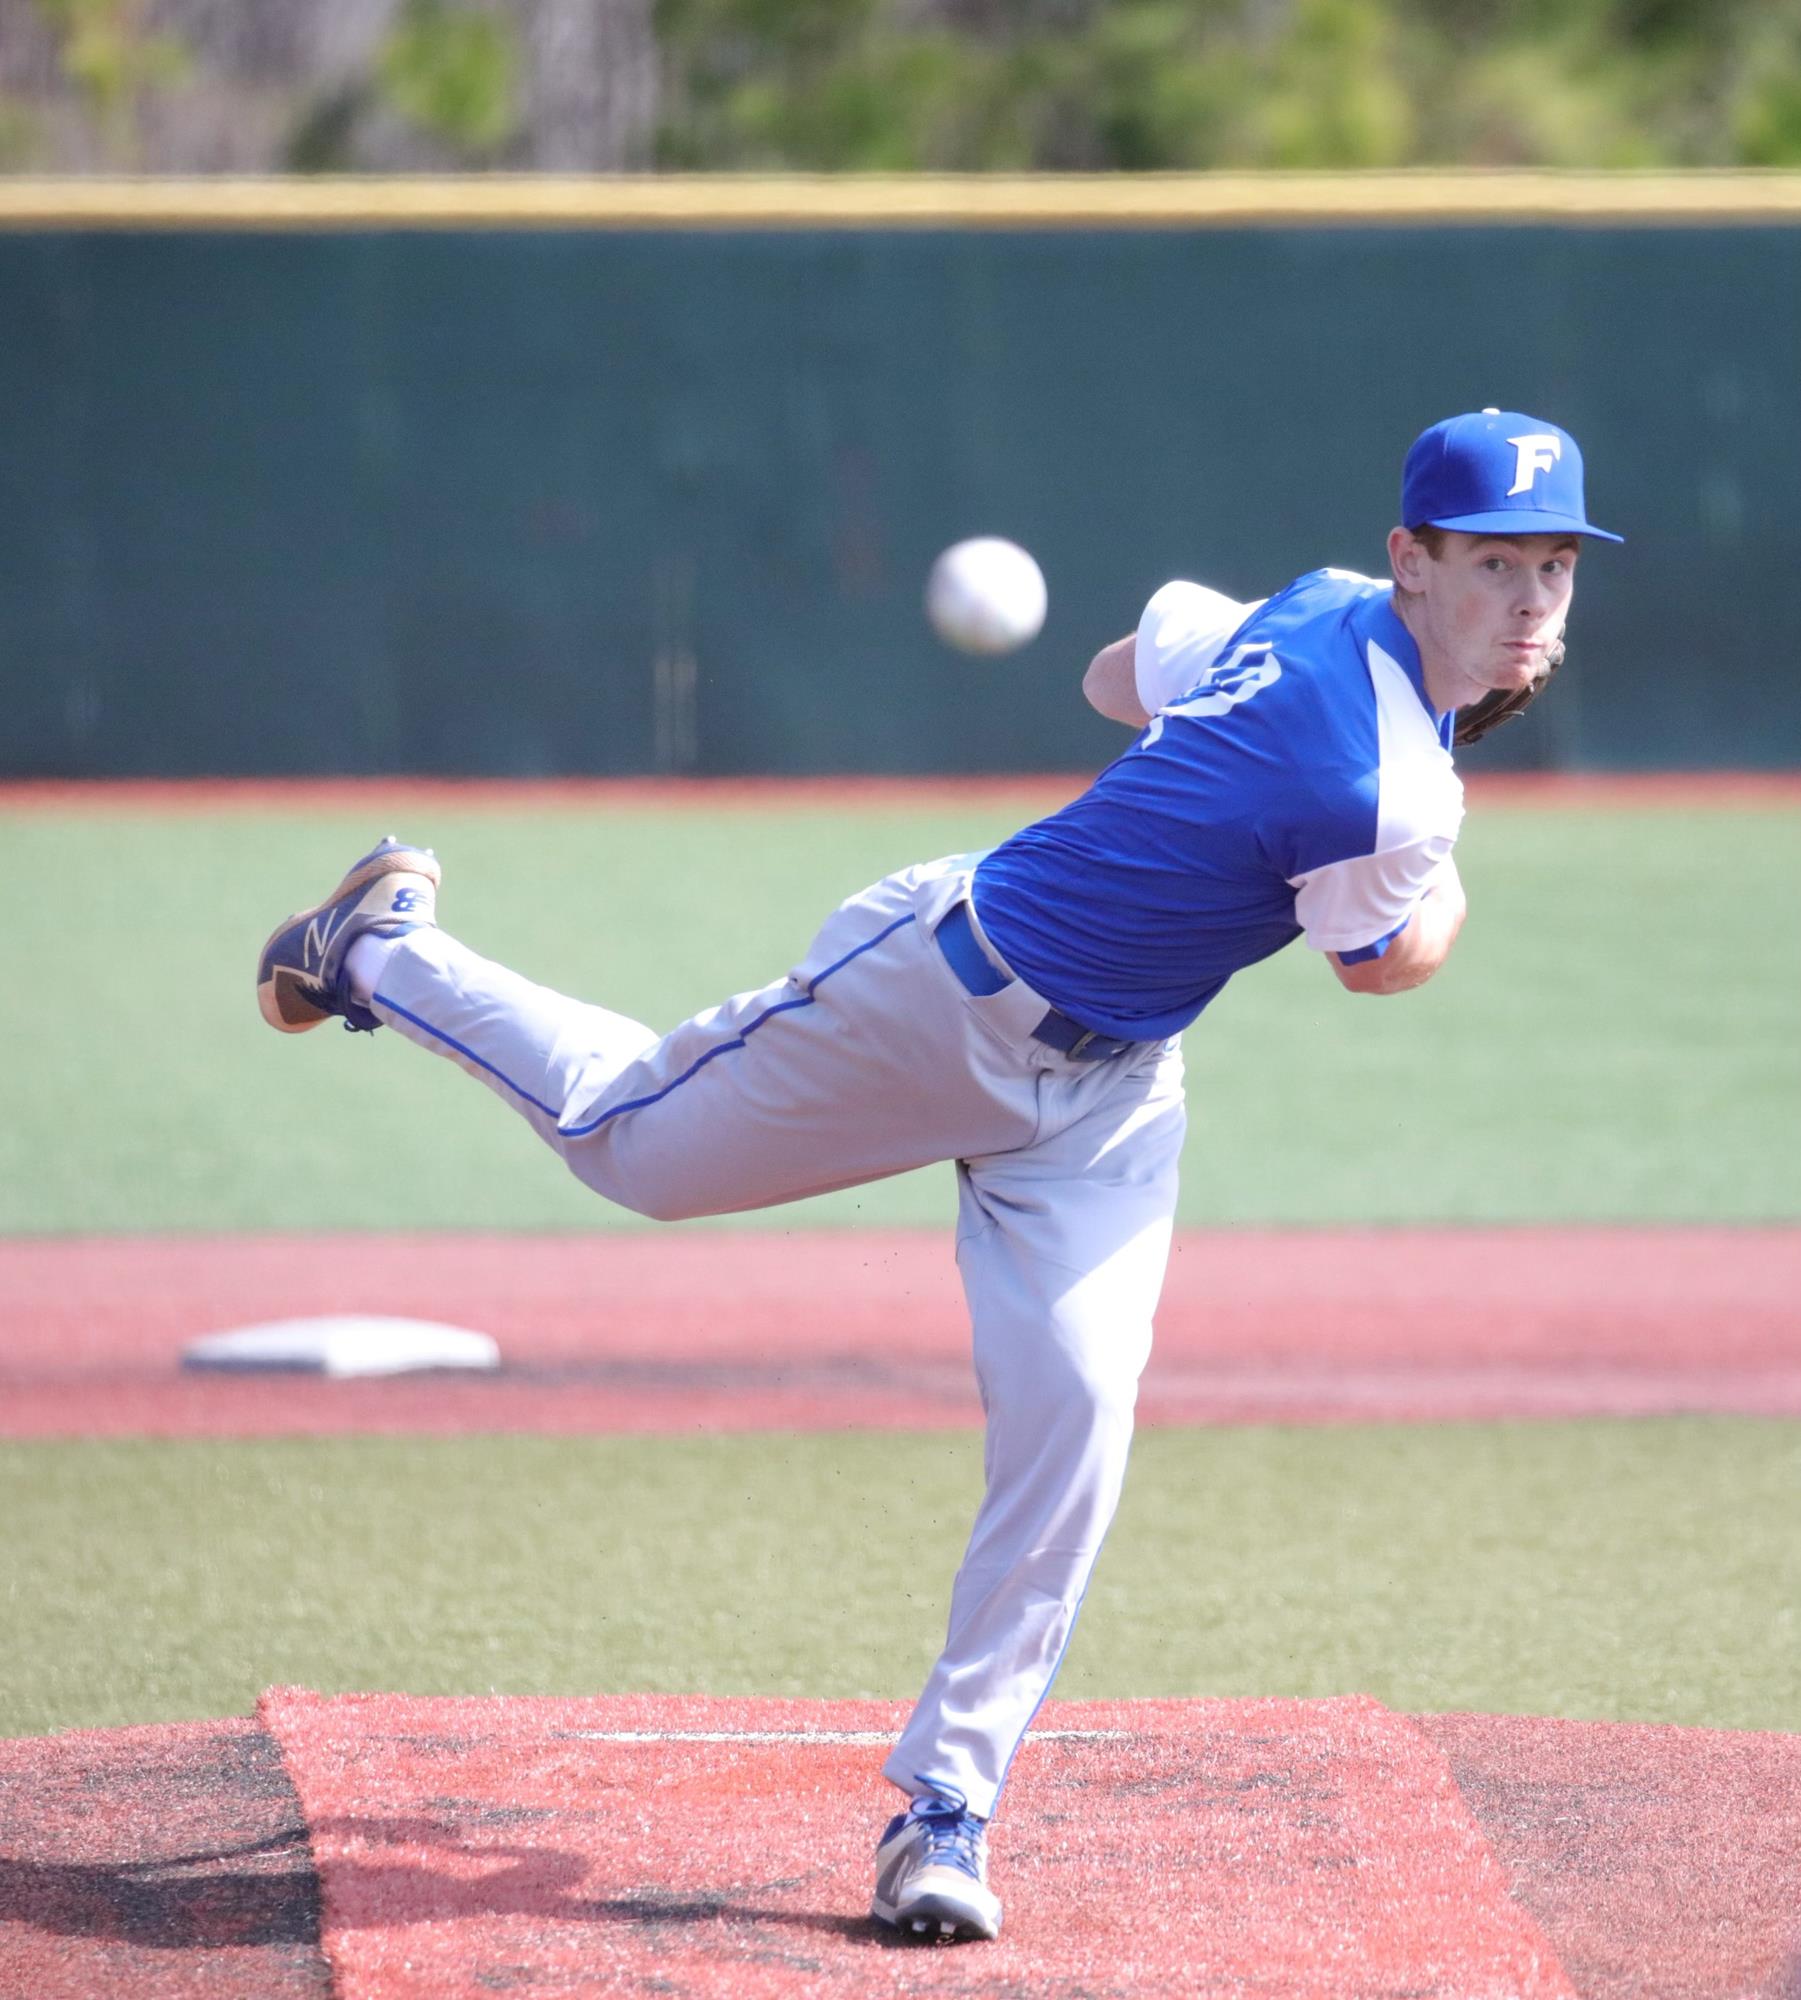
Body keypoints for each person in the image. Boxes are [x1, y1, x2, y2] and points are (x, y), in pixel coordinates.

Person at [256, 407, 1618, 1944]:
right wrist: (1428, 845)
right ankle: (376, 945)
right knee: (632, 1151)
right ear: (1412, 561)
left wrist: (1234, 748)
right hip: (927, 999)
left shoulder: (1302, 607)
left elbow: (1119, 675)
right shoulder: (1392, 787)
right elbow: (1384, 963)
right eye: (1492, 562)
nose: (1527, 602)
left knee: (1077, 1418)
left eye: (1554, 567)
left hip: (1107, 1097)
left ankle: (942, 1813)